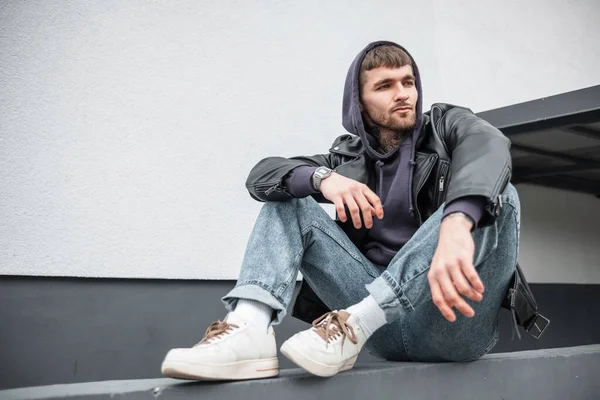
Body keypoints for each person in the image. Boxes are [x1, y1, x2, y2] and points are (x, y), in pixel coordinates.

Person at [161, 40, 519, 380]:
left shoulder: (445, 125)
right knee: (290, 201)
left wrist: (457, 222)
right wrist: (323, 179)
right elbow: (262, 175)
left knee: (502, 196)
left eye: (408, 82)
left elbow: (487, 143)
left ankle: (360, 319)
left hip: (451, 323)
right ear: (359, 103)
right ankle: (249, 329)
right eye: (385, 86)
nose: (403, 93)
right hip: (372, 331)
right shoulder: (345, 159)